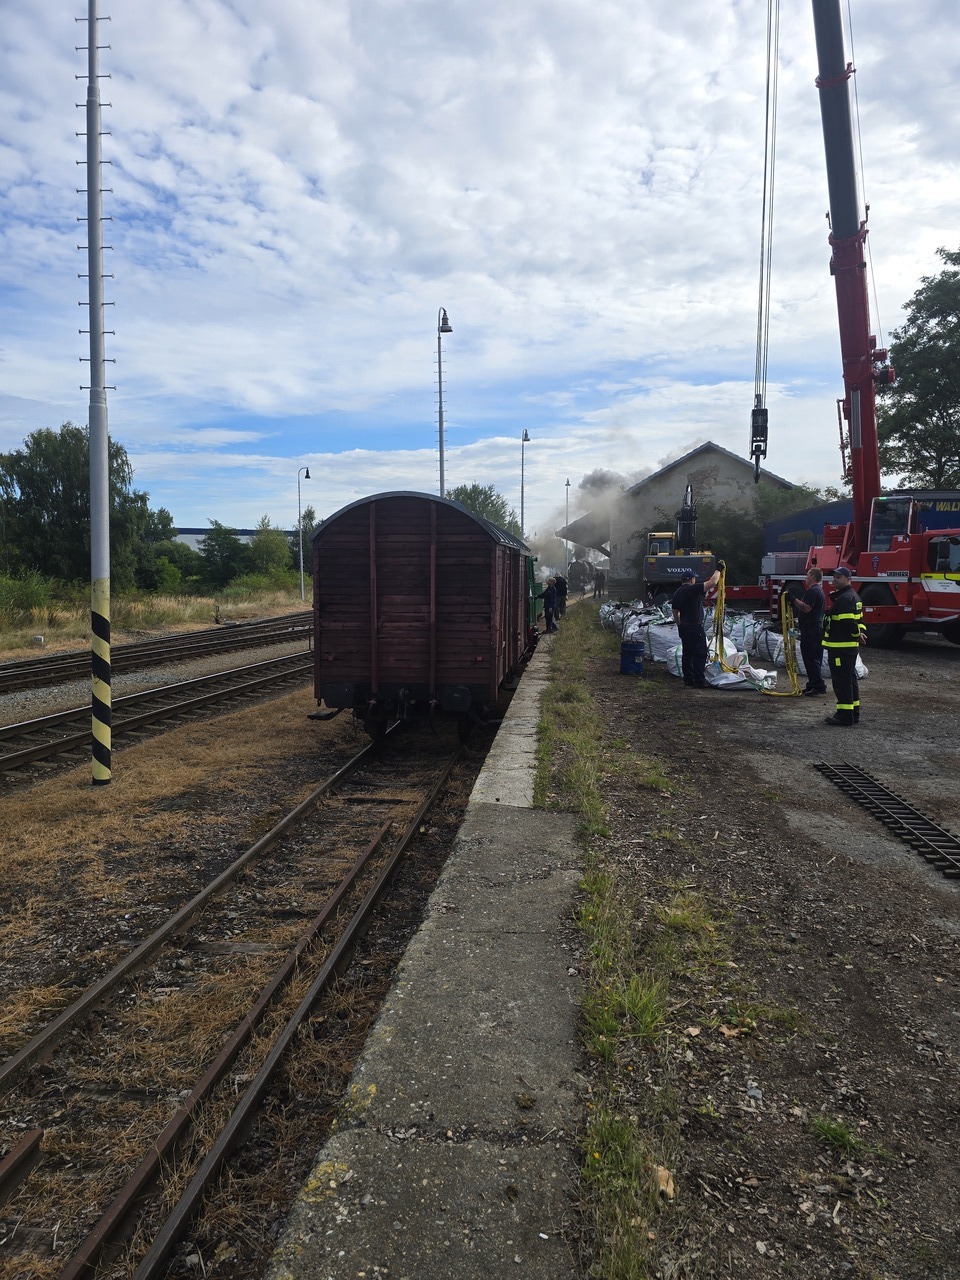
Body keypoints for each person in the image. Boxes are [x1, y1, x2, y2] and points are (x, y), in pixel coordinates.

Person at [821, 566, 866, 726]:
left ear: (848, 579)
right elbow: (859, 620)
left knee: (841, 682)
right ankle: (853, 713)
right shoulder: (854, 597)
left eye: (838, 577)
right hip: (847, 647)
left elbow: (848, 622)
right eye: (834, 577)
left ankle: (844, 715)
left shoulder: (845, 599)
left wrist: (856, 634)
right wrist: (860, 633)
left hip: (841, 647)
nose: (835, 580)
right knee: (849, 680)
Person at [671, 562, 723, 688]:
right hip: (694, 627)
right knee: (700, 653)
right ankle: (699, 681)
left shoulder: (677, 592)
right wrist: (718, 570)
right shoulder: (692, 589)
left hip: (684, 627)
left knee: (687, 654)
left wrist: (679, 625)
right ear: (691, 580)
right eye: (694, 579)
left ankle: (688, 680)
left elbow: (675, 611)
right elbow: (712, 583)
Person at [787, 567, 827, 696]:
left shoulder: (813, 591)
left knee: (811, 658)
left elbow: (807, 608)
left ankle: (818, 686)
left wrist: (793, 599)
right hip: (814, 630)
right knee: (813, 658)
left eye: (808, 575)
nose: (806, 577)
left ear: (813, 577)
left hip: (811, 630)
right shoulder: (818, 590)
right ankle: (813, 684)